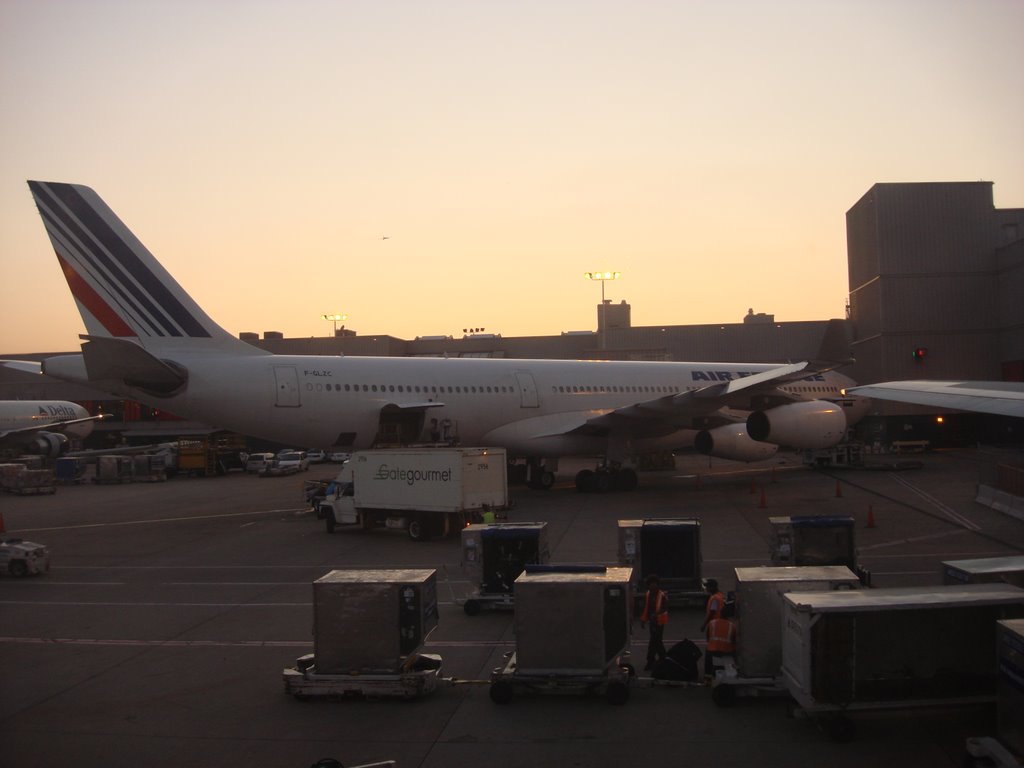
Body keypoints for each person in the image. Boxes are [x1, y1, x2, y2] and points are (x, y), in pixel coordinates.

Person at [639, 574, 669, 671]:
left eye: (655, 584)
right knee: (656, 641)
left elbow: (665, 607)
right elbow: (646, 608)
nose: (653, 586)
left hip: (659, 621)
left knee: (654, 641)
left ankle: (652, 660)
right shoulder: (648, 594)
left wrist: (656, 614)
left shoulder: (662, 595)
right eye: (651, 584)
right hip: (652, 622)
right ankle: (662, 658)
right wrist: (643, 620)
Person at [704, 597, 737, 679]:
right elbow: (734, 641)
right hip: (726, 651)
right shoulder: (732, 626)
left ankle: (707, 677)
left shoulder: (712, 623)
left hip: (712, 650)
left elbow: (708, 638)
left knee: (708, 656)